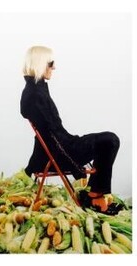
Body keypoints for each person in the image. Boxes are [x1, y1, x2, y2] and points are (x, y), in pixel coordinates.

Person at [20, 46, 122, 215]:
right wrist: (76, 168)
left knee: (108, 140)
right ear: (39, 64)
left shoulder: (36, 89)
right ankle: (95, 198)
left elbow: (51, 133)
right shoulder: (35, 94)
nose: (54, 67)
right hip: (63, 151)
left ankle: (95, 195)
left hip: (63, 146)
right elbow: (52, 138)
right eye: (50, 63)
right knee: (111, 140)